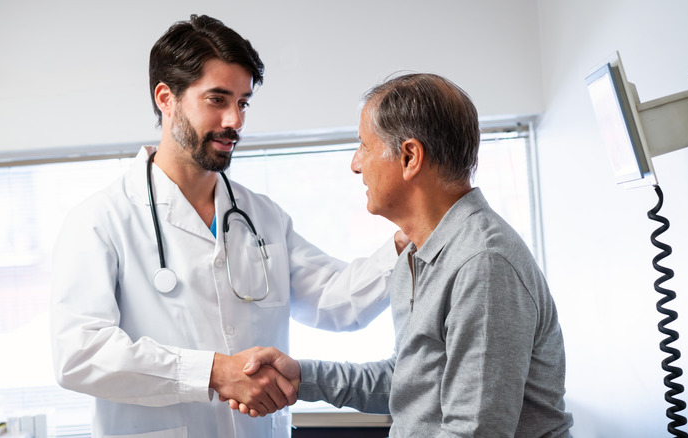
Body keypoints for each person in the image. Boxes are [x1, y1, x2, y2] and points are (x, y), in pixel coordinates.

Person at [50, 15, 409, 438]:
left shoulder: (262, 216)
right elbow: (79, 354)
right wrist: (215, 372)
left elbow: (336, 302)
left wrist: (409, 238)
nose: (235, 120)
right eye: (217, 100)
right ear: (166, 98)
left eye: (243, 102)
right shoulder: (101, 220)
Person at [232, 73, 575, 437]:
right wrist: (302, 377)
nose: (355, 163)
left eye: (364, 146)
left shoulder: (483, 263)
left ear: (410, 156)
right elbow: (408, 380)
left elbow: (474, 432)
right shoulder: (417, 254)